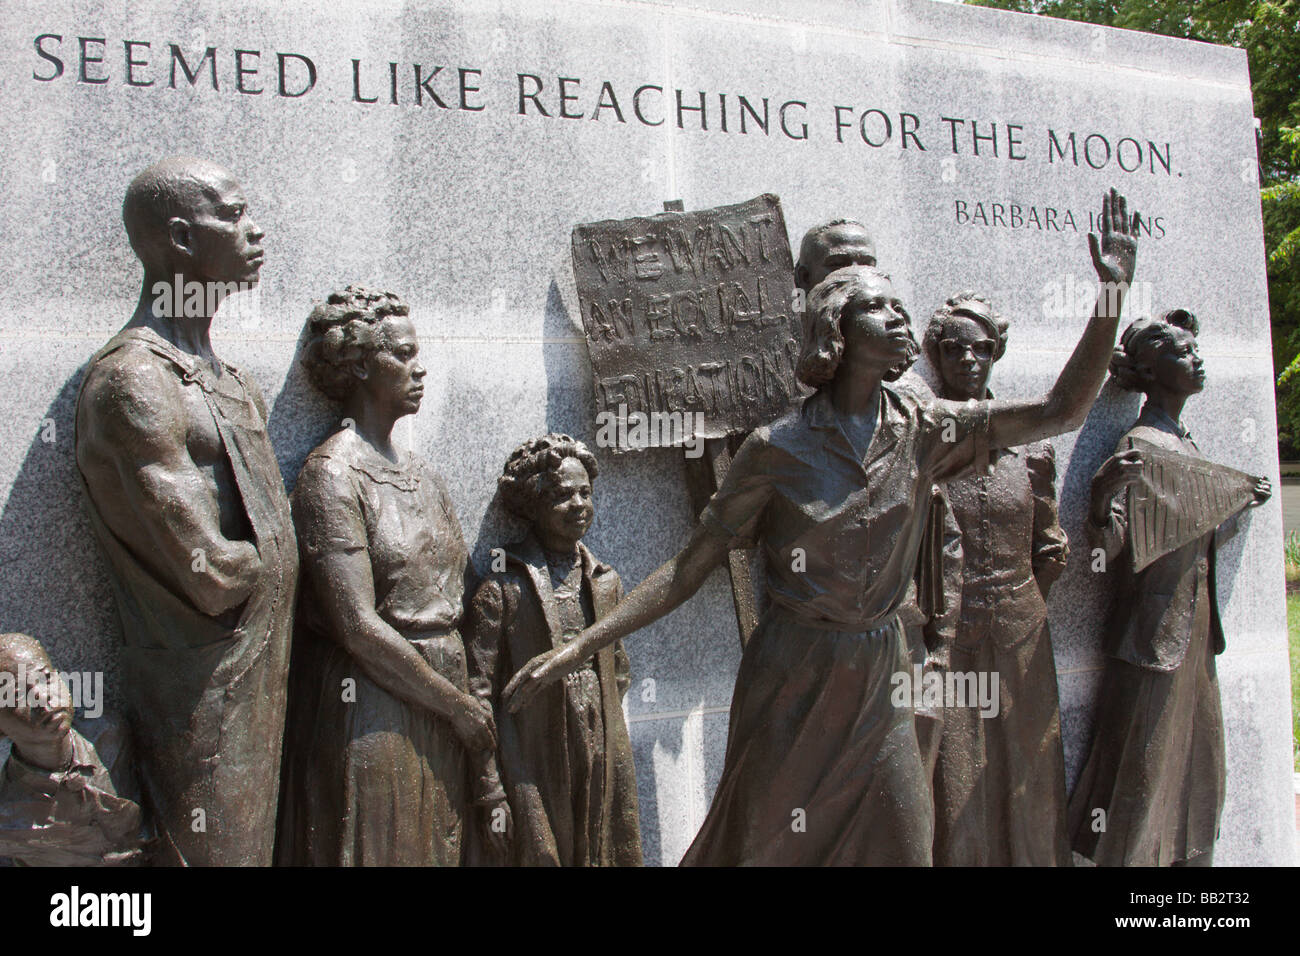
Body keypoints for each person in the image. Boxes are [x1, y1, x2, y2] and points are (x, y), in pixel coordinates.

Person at [505, 189, 1141, 866]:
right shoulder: (777, 447)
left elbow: (1062, 408)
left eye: (899, 305)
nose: (899, 319)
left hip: (881, 672)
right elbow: (688, 569)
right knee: (763, 847)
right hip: (793, 674)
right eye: (879, 308)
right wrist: (581, 648)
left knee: (904, 845)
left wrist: (1111, 295)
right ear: (834, 325)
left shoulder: (926, 428)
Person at [75, 157, 297, 866]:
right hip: (205, 700)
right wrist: (281, 558)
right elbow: (210, 573)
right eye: (231, 215)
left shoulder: (231, 380)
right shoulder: (134, 381)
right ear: (178, 239)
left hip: (275, 676)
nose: (254, 230)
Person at [277, 285, 499, 866]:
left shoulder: (425, 474)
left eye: (415, 351)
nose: (418, 366)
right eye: (400, 354)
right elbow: (355, 625)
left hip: (448, 700)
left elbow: (467, 593)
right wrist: (455, 707)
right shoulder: (332, 475)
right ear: (356, 366)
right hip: (374, 704)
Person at [1068, 308, 1270, 867]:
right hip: (1152, 638)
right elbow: (1106, 553)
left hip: (1196, 633)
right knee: (1142, 772)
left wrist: (1236, 498)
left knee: (1196, 768)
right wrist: (1101, 501)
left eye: (1196, 350)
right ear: (1152, 374)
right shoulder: (1140, 444)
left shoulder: (1185, 444)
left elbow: (1188, 523)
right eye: (1182, 354)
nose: (1197, 359)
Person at [922, 292, 1071, 866]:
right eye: (952, 349)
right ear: (936, 356)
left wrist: (1030, 598)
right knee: (954, 770)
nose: (967, 359)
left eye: (980, 348)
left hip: (1021, 630)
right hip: (947, 635)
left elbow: (1050, 545)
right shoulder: (925, 440)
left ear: (996, 353)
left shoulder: (1032, 447)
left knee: (1028, 764)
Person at [465, 434, 642, 866]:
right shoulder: (503, 585)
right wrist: (490, 787)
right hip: (532, 752)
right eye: (563, 495)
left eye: (586, 492)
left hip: (600, 745)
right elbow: (476, 690)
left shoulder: (605, 580)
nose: (579, 504)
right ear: (533, 503)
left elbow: (618, 669)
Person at [0, 632, 144, 866]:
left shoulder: (112, 736)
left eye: (46, 678)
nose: (43, 699)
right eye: (16, 696)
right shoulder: (8, 821)